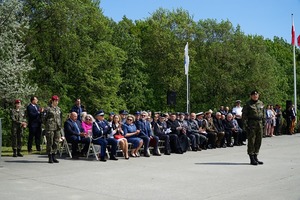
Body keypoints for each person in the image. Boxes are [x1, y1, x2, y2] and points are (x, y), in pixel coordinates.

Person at [242, 90, 264, 165]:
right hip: (252, 124)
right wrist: (245, 126)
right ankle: (251, 157)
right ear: (251, 96)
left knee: (259, 140)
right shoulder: (248, 104)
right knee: (252, 140)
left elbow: (262, 113)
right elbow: (244, 116)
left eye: (256, 95)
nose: (255, 96)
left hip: (259, 123)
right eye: (254, 95)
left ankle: (256, 156)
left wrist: (263, 123)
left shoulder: (260, 103)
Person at [43, 95, 62, 164]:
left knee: (56, 142)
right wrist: (47, 125)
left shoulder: (58, 109)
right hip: (50, 127)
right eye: (56, 101)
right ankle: (50, 156)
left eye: (57, 101)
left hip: (57, 127)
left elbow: (60, 118)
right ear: (53, 101)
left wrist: (60, 125)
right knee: (50, 142)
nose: (57, 102)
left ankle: (54, 155)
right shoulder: (48, 109)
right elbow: (44, 118)